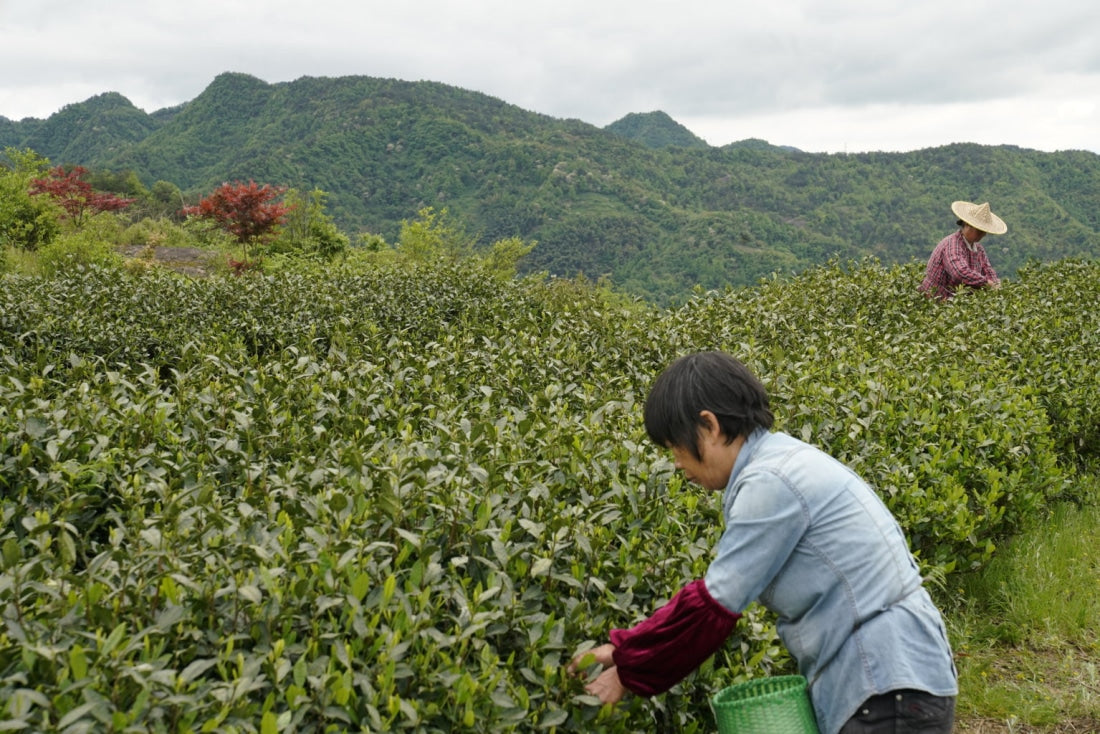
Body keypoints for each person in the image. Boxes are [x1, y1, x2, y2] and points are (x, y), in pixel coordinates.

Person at [568, 351, 957, 734]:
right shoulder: (781, 460)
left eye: (675, 445)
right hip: (890, 680)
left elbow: (713, 605)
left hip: (885, 682)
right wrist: (625, 654)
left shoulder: (771, 482)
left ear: (709, 426)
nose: (675, 462)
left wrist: (629, 666)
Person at [919, 200, 1007, 300]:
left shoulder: (978, 249)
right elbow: (960, 273)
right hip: (937, 300)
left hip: (957, 302)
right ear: (967, 224)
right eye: (979, 230)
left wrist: (995, 283)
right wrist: (987, 283)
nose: (982, 234)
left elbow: (987, 269)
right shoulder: (952, 244)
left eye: (984, 231)